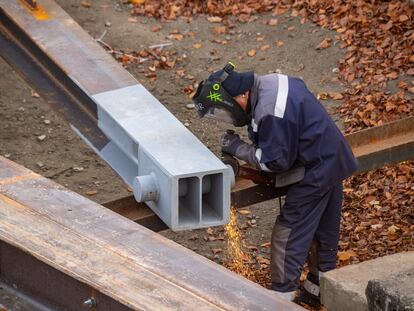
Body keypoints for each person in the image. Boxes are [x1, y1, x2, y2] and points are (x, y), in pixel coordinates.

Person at [192, 62, 358, 305]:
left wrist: (236, 148)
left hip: (316, 170)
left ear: (242, 94)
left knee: (288, 231)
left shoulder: (270, 110)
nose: (227, 115)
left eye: (225, 109)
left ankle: (281, 296)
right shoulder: (269, 83)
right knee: (323, 230)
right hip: (332, 157)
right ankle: (320, 289)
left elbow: (274, 161)